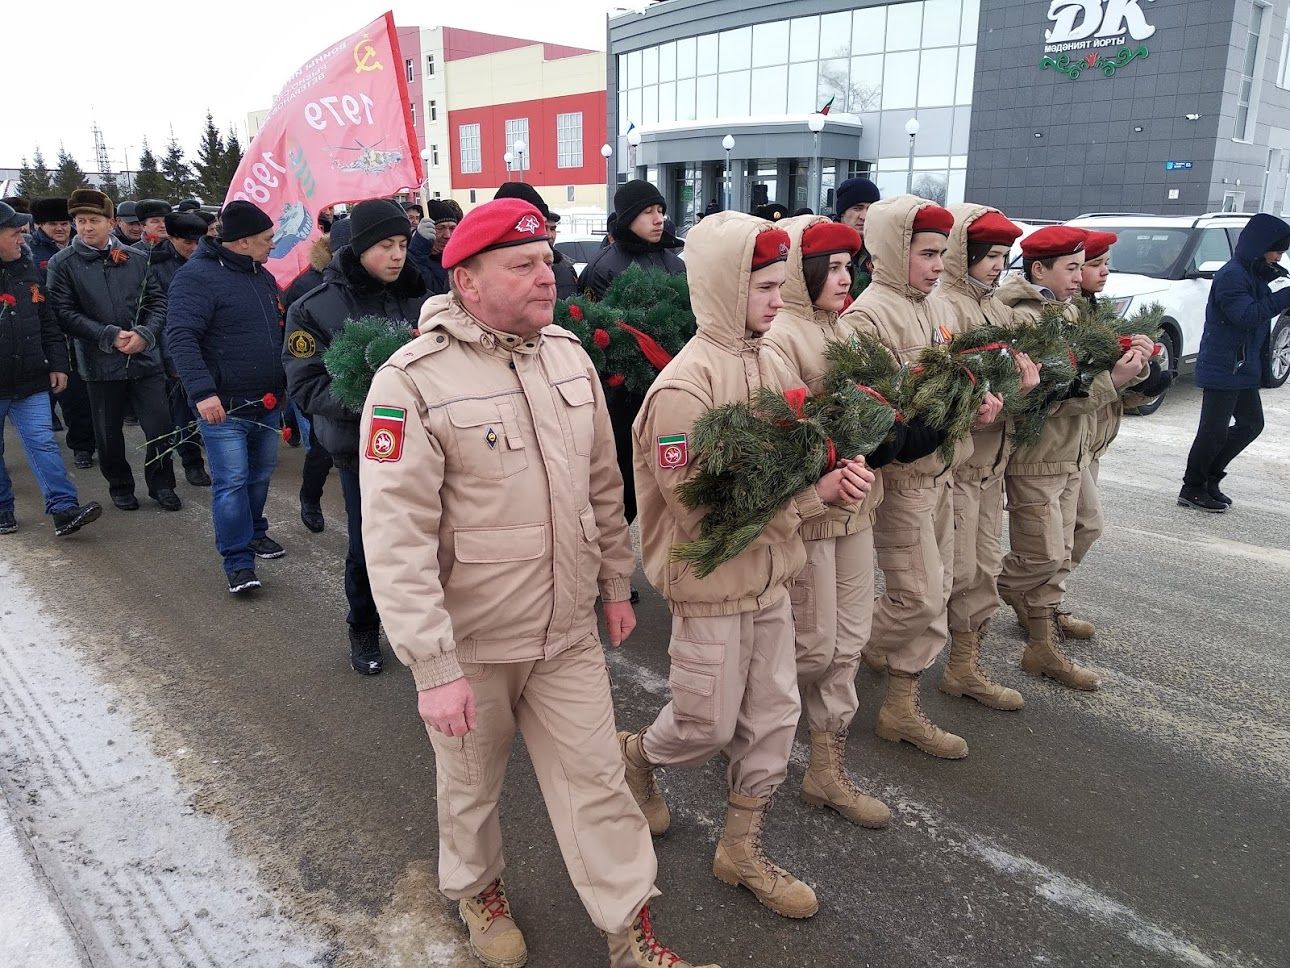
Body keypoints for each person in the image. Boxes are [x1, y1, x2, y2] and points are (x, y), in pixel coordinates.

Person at [359, 198, 715, 968]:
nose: (545, 274)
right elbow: (395, 536)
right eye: (521, 264)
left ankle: (629, 931)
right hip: (474, 643)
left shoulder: (568, 356)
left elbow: (603, 484)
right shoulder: (411, 382)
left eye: (547, 258)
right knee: (471, 790)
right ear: (468, 279)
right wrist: (432, 665)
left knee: (598, 786)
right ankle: (477, 886)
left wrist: (616, 585)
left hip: (563, 633)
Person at [618, 212, 873, 920]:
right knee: (704, 723)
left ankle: (740, 851)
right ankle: (637, 755)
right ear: (724, 288)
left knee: (772, 717)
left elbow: (803, 453)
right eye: (762, 285)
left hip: (772, 577)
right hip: (713, 585)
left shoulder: (773, 359)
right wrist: (808, 498)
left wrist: (839, 477)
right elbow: (705, 510)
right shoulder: (682, 388)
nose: (774, 296)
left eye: (776, 282)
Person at [840, 197, 1003, 760]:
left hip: (942, 474)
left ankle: (898, 705)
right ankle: (853, 658)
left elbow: (947, 383)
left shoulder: (931, 311)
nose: (938, 266)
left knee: (939, 587)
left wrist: (974, 401)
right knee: (920, 599)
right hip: (904, 482)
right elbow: (880, 412)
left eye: (941, 253)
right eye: (926, 253)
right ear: (890, 250)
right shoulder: (868, 316)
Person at [761, 215, 893, 828]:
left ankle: (826, 768)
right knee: (808, 647)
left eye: (849, 266)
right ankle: (753, 746)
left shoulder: (847, 330)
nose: (846, 278)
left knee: (849, 642)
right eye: (833, 267)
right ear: (801, 270)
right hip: (812, 520)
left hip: (858, 510)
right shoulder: (781, 336)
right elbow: (787, 432)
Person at [995, 227, 1151, 689]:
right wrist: (1113, 381)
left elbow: (1085, 380)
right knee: (1042, 554)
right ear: (1038, 268)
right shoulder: (1025, 320)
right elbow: (1044, 398)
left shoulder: (1069, 312)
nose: (1082, 274)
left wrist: (1134, 371)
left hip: (1072, 450)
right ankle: (1003, 592)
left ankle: (1041, 643)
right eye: (1073, 267)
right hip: (1039, 454)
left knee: (1069, 542)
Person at [285, 199, 427, 675]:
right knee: (371, 546)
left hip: (429, 445)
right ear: (361, 247)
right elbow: (306, 383)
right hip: (362, 449)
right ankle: (363, 626)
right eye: (385, 245)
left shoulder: (421, 298)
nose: (397, 255)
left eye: (403, 244)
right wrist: (380, 401)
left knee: (433, 543)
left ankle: (432, 635)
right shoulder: (315, 308)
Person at [931, 205, 1036, 711]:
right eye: (988, 255)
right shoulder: (945, 308)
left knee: (983, 567)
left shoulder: (997, 308)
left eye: (1002, 256)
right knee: (951, 573)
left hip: (993, 462)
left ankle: (963, 664)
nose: (997, 265)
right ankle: (888, 644)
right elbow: (941, 389)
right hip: (960, 464)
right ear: (962, 254)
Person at [166, 201, 288, 595]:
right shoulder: (195, 278)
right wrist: (202, 393)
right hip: (223, 407)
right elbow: (181, 338)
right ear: (242, 242)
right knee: (232, 481)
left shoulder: (261, 275)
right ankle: (237, 561)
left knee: (259, 475)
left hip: (266, 402)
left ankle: (254, 532)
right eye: (268, 238)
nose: (274, 243)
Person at [47, 189, 179, 512]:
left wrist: (145, 333)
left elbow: (157, 302)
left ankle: (161, 483)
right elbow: (63, 312)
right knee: (107, 433)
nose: (86, 227)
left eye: (94, 220)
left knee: (160, 424)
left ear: (111, 222)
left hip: (145, 359)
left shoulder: (136, 257)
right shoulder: (62, 264)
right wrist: (108, 335)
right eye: (80, 221)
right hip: (99, 363)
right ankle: (120, 484)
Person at [578, 179, 687, 533]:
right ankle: (608, 564)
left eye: (660, 211)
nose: (658, 220)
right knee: (621, 483)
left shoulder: (675, 262)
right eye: (647, 212)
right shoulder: (604, 267)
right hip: (625, 396)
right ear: (627, 218)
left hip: (672, 389)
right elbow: (600, 335)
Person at [1069, 231, 1172, 601]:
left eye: (1106, 264)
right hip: (1071, 442)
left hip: (1094, 441)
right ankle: (1028, 595)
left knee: (1072, 531)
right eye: (1094, 264)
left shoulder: (1097, 311)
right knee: (1086, 525)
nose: (1103, 272)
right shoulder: (1068, 319)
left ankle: (1044, 603)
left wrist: (1144, 378)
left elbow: (1114, 394)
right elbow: (1075, 390)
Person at [0, 200, 102, 538]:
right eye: (15, 233)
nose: (22, 238)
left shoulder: (28, 267)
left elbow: (47, 322)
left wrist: (58, 364)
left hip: (31, 379)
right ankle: (3, 509)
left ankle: (63, 509)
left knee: (43, 442)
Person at [1180, 214, 1290, 512]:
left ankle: (1210, 477)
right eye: (1277, 250)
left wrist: (1269, 276)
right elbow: (1246, 315)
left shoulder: (1251, 272)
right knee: (1212, 432)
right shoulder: (1232, 276)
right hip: (1224, 364)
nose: (1279, 256)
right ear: (1259, 246)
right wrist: (1285, 296)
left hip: (1242, 366)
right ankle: (1192, 487)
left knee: (1252, 424)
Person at [134, 211, 212, 488]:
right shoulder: (153, 264)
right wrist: (171, 358)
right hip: (167, 348)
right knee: (181, 413)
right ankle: (191, 462)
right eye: (186, 242)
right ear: (172, 237)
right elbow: (155, 313)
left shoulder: (210, 261)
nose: (193, 248)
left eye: (198, 242)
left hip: (204, 343)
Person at [29, 197, 96, 470]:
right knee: (58, 394)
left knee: (82, 393)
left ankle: (88, 441)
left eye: (64, 223)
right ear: (39, 226)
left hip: (80, 328)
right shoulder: (31, 252)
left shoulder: (81, 247)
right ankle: (66, 445)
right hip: (47, 332)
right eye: (52, 224)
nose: (60, 228)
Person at [494, 182, 578, 299]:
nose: (548, 235)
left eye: (551, 228)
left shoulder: (564, 269)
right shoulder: (487, 274)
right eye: (537, 226)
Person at [834, 177, 880, 298]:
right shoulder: (826, 248)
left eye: (870, 209)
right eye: (857, 208)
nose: (864, 216)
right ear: (842, 212)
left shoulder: (878, 249)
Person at [408, 199, 458, 295]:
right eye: (440, 228)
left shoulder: (458, 259)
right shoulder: (412, 258)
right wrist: (420, 244)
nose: (447, 235)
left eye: (452, 228)